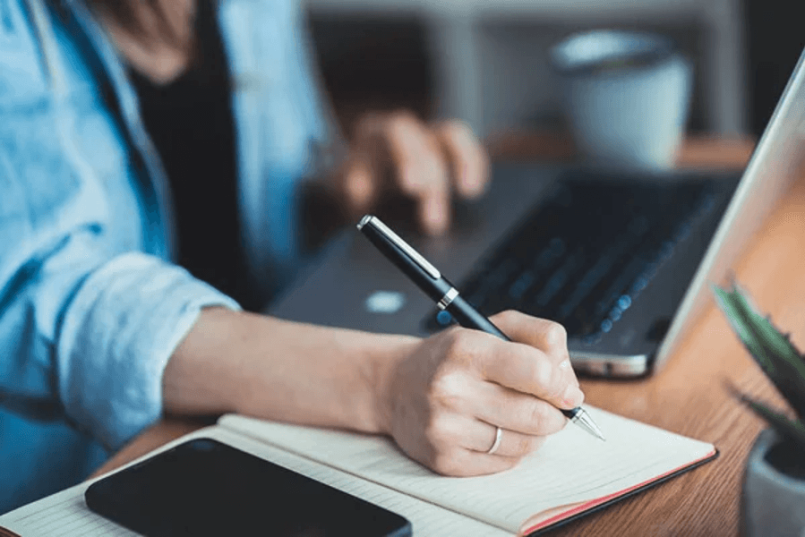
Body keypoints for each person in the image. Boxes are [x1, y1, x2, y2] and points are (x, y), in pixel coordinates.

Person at [0, 0, 584, 514]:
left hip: (281, 408)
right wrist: (383, 384)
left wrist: (355, 179)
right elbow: (38, 290)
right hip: (94, 476)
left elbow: (272, 203)